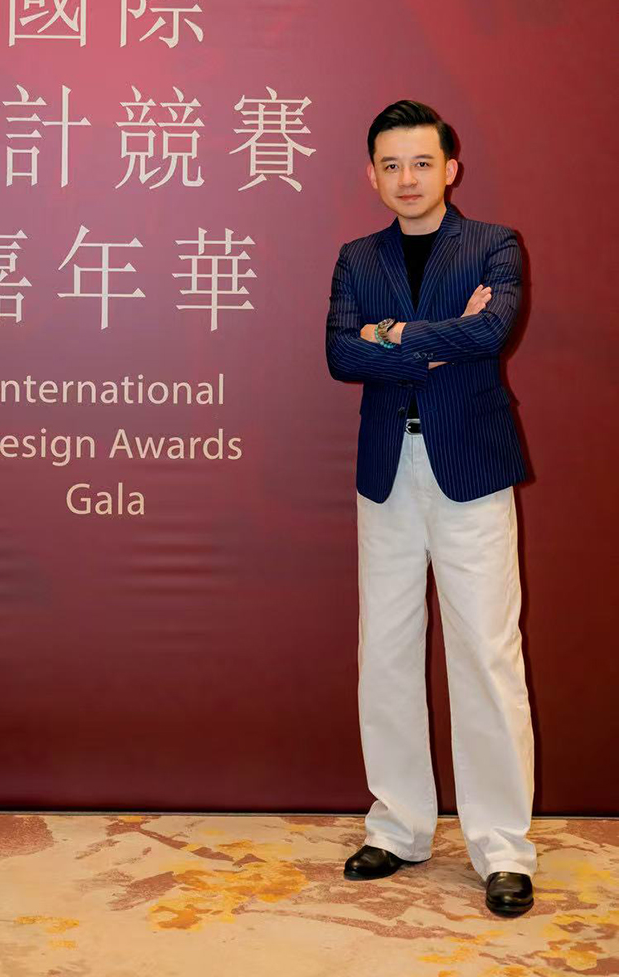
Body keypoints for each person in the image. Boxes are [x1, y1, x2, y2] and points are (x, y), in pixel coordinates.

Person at [325, 99, 536, 917]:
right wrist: (434, 337)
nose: (406, 178)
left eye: (420, 162)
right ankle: (399, 825)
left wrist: (389, 337)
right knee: (384, 648)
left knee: (484, 652)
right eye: (390, 165)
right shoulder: (356, 257)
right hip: (387, 470)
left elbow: (492, 333)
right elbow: (338, 353)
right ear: (371, 174)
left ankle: (501, 847)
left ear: (450, 167)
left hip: (470, 466)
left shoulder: (493, 244)